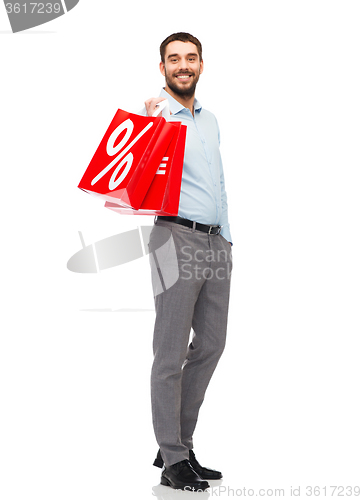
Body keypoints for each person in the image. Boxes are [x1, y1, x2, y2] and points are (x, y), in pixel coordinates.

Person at [145, 32, 233, 491]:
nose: (183, 64)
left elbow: (216, 183)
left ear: (201, 64)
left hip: (217, 241)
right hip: (171, 237)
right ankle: (174, 454)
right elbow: (130, 174)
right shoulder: (155, 116)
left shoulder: (210, 119)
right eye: (173, 59)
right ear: (162, 68)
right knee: (170, 349)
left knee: (212, 343)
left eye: (190, 57)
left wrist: (228, 240)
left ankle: (176, 444)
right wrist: (145, 123)